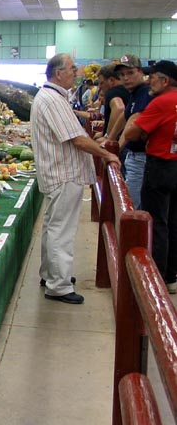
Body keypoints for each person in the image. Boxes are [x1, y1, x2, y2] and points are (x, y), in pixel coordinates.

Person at [31, 53, 120, 304]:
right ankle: (58, 285)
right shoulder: (52, 100)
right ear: (58, 73)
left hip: (58, 171)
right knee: (61, 230)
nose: (77, 72)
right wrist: (105, 154)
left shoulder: (54, 97)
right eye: (72, 69)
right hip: (63, 172)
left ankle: (50, 274)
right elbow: (76, 138)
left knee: (53, 226)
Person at [123, 60, 177, 294]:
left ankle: (157, 276)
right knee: (174, 220)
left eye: (152, 77)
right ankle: (172, 274)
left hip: (160, 166)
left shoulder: (161, 102)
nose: (149, 81)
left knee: (157, 222)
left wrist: (145, 131)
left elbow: (133, 131)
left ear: (165, 80)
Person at [107, 54, 153, 209]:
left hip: (141, 157)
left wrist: (116, 149)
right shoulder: (135, 93)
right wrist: (109, 138)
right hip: (134, 156)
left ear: (141, 72)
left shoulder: (145, 92)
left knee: (129, 206)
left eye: (130, 73)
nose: (126, 78)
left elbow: (133, 120)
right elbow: (124, 116)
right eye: (122, 75)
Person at [94, 64, 128, 141]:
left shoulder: (112, 92)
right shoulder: (127, 90)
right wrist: (104, 132)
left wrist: (108, 136)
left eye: (101, 83)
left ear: (111, 81)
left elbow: (119, 108)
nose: (99, 86)